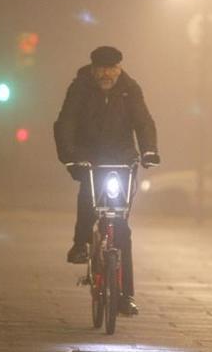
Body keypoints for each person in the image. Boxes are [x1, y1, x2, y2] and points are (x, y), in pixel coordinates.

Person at [53, 46, 160, 316]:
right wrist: (69, 155)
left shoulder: (129, 89)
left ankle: (126, 295)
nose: (106, 74)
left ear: (119, 68)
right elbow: (65, 122)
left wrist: (148, 151)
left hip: (122, 159)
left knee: (122, 228)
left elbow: (144, 121)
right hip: (89, 157)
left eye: (111, 68)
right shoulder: (79, 88)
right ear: (92, 69)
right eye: (101, 68)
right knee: (88, 199)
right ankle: (80, 243)